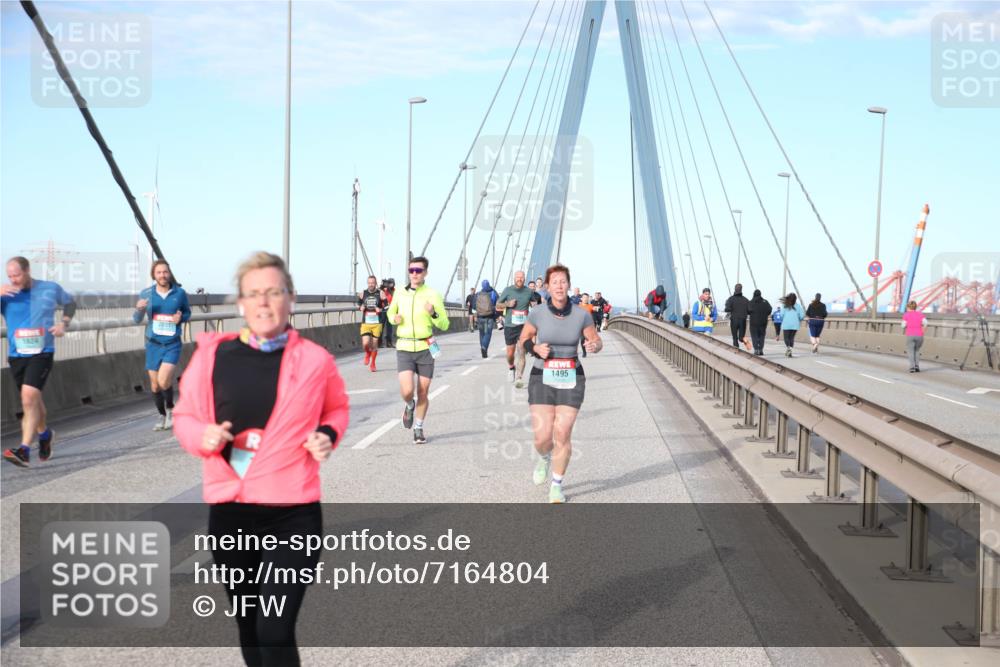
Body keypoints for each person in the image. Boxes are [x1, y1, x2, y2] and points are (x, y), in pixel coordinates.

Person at [172, 251, 349, 667]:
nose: (264, 302)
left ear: (291, 299)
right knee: (249, 625)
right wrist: (204, 435)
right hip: (231, 514)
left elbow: (337, 409)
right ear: (240, 304)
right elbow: (184, 417)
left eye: (273, 292)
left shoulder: (314, 361)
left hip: (293, 513)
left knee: (275, 627)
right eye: (254, 294)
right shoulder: (213, 355)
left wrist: (327, 434)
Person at [518, 264, 602, 503]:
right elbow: (524, 339)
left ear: (568, 285)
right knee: (542, 437)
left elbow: (596, 340)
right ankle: (544, 457)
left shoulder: (581, 314)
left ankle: (556, 485)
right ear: (547, 286)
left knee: (562, 432)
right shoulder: (537, 313)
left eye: (563, 281)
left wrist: (595, 345)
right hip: (541, 377)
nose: (559, 286)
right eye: (554, 282)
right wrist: (534, 348)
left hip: (572, 376)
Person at [2, 256, 76, 468]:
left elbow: (70, 303)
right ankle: (45, 434)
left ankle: (24, 450)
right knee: (33, 400)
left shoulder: (49, 288)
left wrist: (64, 323)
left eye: (17, 275)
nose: (13, 280)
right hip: (17, 355)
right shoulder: (6, 295)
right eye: (10, 276)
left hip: (42, 351)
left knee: (28, 398)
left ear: (27, 270)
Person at [388, 256, 450, 444]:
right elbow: (391, 313)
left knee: (423, 391)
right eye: (411, 270)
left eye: (418, 270)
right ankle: (409, 405)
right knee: (407, 390)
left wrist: (433, 313)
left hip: (425, 347)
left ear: (425, 273)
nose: (414, 274)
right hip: (405, 346)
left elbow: (445, 324)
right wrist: (394, 319)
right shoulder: (400, 292)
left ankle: (419, 428)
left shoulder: (433, 294)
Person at [133, 259, 191, 430]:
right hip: (153, 343)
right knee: (155, 384)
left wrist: (181, 318)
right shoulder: (146, 294)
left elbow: (187, 313)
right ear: (154, 275)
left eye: (165, 272)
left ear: (169, 273)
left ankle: (171, 409)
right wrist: (139, 309)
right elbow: (136, 320)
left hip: (172, 343)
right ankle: (161, 416)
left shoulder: (179, 293)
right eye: (159, 272)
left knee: (164, 380)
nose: (162, 275)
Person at [498, 271, 533, 388]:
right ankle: (511, 367)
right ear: (514, 278)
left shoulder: (529, 291)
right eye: (518, 277)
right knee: (510, 353)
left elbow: (535, 304)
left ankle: (519, 378)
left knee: (522, 352)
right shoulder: (508, 290)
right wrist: (507, 304)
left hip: (523, 327)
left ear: (524, 279)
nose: (519, 279)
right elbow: (497, 305)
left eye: (522, 277)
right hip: (510, 326)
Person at [357, 275, 385, 372]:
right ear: (367, 283)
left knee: (374, 344)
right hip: (366, 322)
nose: (371, 285)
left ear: (375, 283)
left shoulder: (380, 293)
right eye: (369, 283)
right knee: (365, 343)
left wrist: (380, 309)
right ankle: (367, 353)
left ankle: (373, 363)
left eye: (372, 283)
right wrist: (360, 307)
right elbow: (358, 304)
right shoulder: (362, 293)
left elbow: (388, 306)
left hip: (377, 323)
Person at [474, 279, 498, 358]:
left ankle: (483, 348)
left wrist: (476, 314)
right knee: (488, 333)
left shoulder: (477, 294)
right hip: (490, 316)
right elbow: (497, 303)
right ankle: (484, 347)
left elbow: (474, 306)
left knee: (482, 333)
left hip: (480, 316)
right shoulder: (493, 293)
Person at [901, 300, 927, 372]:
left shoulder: (906, 315)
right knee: (917, 351)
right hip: (919, 335)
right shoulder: (920, 314)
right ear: (915, 307)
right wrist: (923, 330)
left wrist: (907, 326)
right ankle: (917, 366)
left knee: (911, 351)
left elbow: (903, 325)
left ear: (908, 307)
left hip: (910, 335)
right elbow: (925, 323)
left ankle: (912, 367)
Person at [779, 293, 806, 357]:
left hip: (786, 324)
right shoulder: (798, 306)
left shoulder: (784, 306)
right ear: (795, 299)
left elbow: (781, 315)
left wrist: (784, 319)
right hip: (795, 324)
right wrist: (799, 319)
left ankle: (788, 348)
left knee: (786, 338)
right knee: (791, 338)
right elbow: (802, 316)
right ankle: (790, 350)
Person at [724, 283, 750, 349]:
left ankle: (736, 352)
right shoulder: (746, 300)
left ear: (735, 289)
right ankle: (746, 342)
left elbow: (727, 309)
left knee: (735, 338)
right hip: (743, 320)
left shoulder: (730, 299)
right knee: (741, 338)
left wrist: (730, 309)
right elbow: (750, 311)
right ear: (741, 289)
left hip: (734, 320)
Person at [747, 289, 772, 355]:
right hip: (763, 322)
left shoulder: (751, 302)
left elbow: (748, 311)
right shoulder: (765, 302)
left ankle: (756, 349)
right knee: (761, 336)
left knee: (754, 336)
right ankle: (760, 349)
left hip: (753, 322)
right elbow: (770, 310)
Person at [378, 278, 395, 348]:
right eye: (389, 283)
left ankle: (389, 342)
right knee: (380, 326)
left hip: (391, 311)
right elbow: (379, 294)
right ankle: (379, 342)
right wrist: (382, 287)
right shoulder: (383, 290)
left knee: (390, 328)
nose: (390, 285)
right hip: (383, 310)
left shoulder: (394, 291)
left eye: (392, 283)